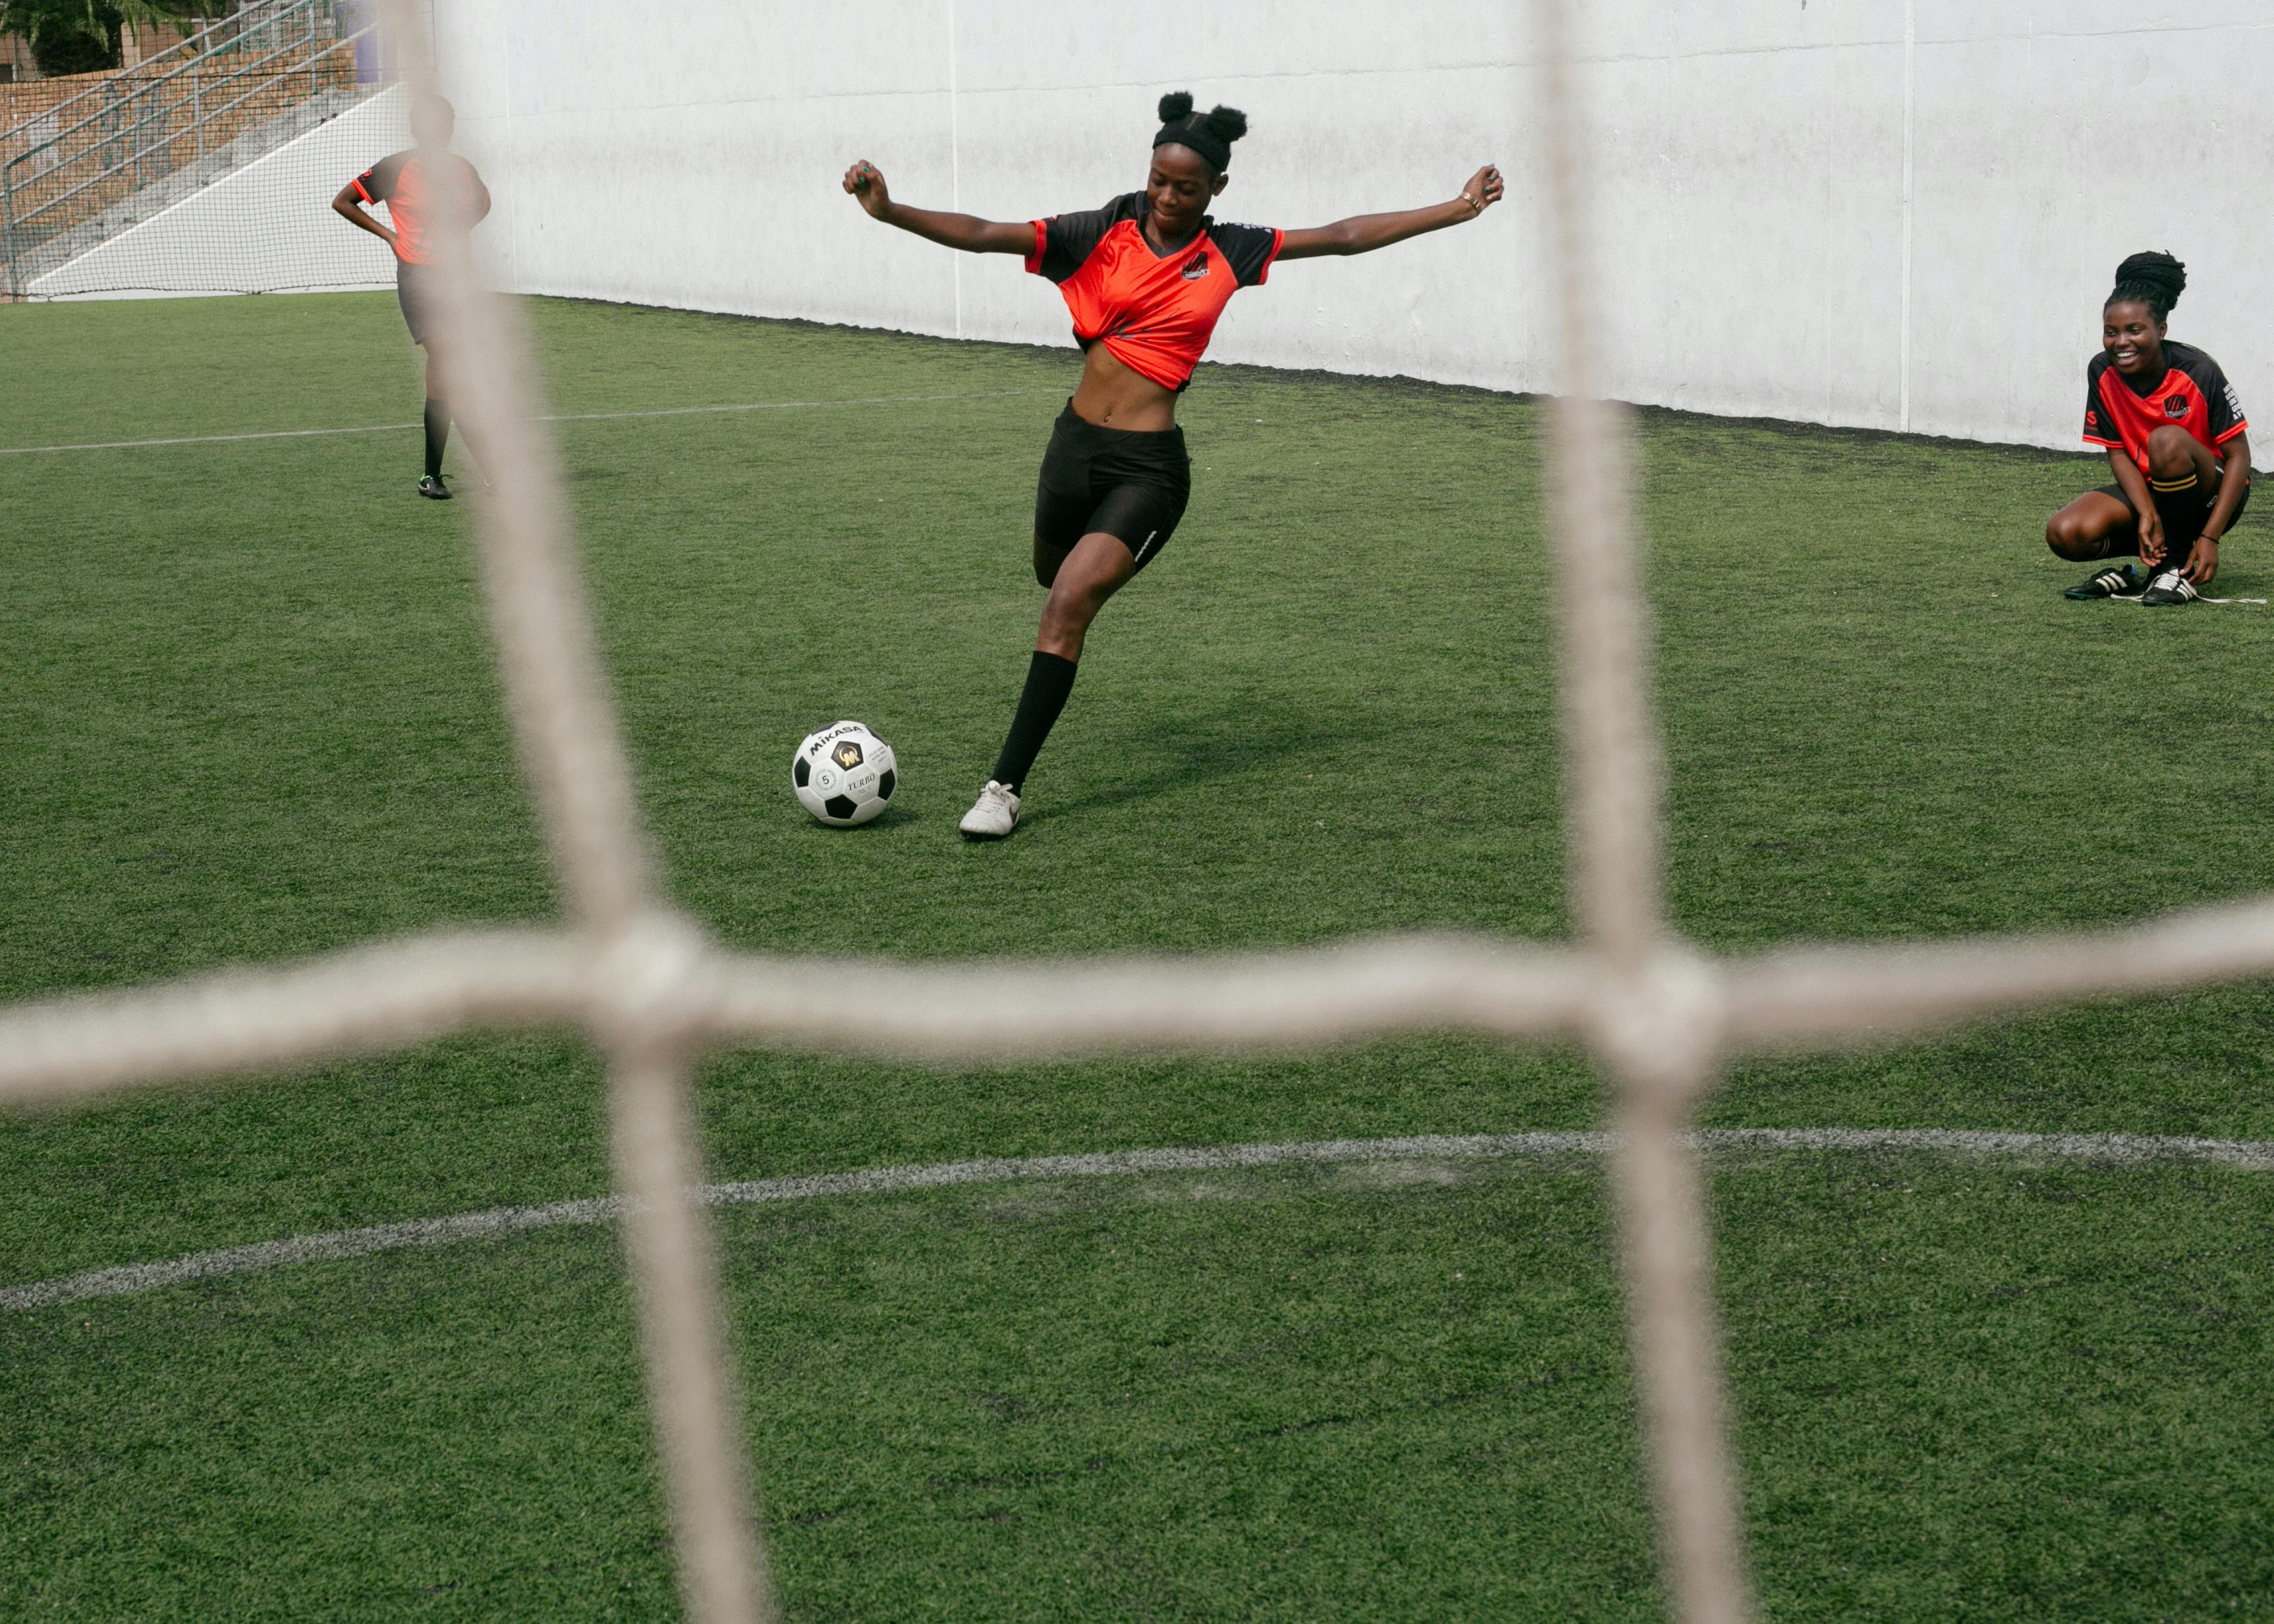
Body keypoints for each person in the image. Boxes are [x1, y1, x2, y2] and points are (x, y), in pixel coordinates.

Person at [843, 92, 1503, 838]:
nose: (1165, 197)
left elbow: (1343, 236)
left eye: (1185, 188)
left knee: (1064, 607)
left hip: (1147, 471)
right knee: (1046, 575)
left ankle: (1002, 789)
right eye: (1158, 180)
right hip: (1071, 450)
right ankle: (1050, 654)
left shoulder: (1231, 250)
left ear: (1215, 189)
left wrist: (1456, 209)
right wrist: (889, 210)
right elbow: (987, 233)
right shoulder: (1097, 232)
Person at [2047, 251, 2251, 605]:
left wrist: (2210, 538)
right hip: (2153, 488)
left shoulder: (2198, 370)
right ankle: (2132, 574)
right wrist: (2146, 512)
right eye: (2111, 332)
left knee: (2166, 440)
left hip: (2211, 492)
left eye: (2134, 330)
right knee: (2066, 533)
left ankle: (2172, 569)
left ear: (2161, 330)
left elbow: (2240, 460)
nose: (2121, 342)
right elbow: (2117, 449)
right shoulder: (2101, 370)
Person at [331, 94, 492, 500]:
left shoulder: (461, 168)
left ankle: (432, 476)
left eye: (446, 122)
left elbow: (483, 204)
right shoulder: (396, 167)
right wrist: (389, 235)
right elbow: (343, 201)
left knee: (448, 377)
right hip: (419, 278)